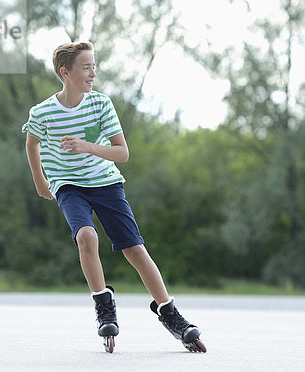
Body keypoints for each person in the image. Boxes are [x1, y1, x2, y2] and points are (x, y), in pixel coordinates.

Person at [22, 41, 206, 353]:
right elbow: (32, 142)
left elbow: (122, 153)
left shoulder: (101, 105)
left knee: (134, 249)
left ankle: (169, 313)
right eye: (86, 67)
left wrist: (87, 146)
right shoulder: (43, 112)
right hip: (68, 184)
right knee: (86, 237)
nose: (93, 72)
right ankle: (104, 306)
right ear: (65, 73)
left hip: (106, 183)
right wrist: (41, 180)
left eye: (94, 66)